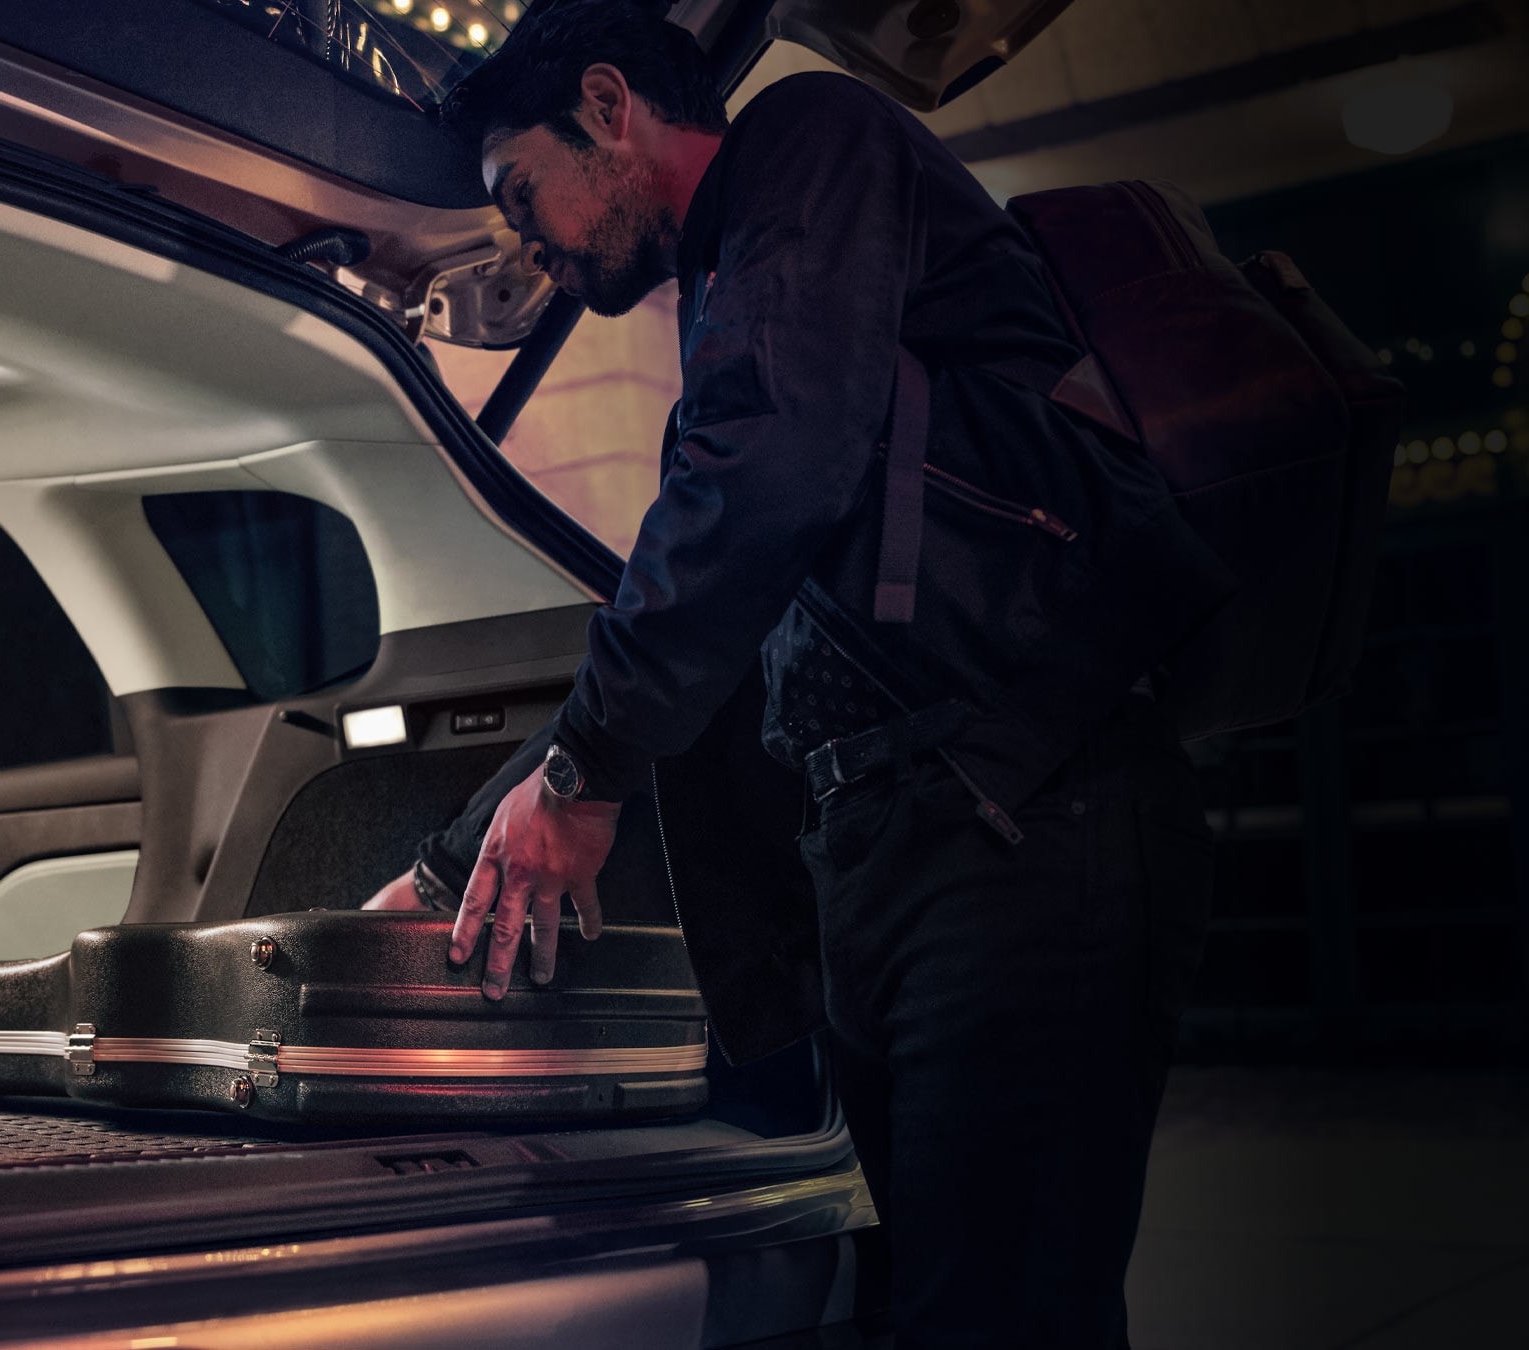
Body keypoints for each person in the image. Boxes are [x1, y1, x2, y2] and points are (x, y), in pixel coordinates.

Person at [368, 2, 1241, 1344]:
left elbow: (762, 468)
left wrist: (592, 763)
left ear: (608, 105)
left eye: (516, 191)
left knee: (997, 1313)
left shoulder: (810, 146)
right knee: (923, 1307)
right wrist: (446, 867)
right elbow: (704, 610)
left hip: (1027, 819)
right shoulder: (740, 294)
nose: (520, 242)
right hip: (905, 853)